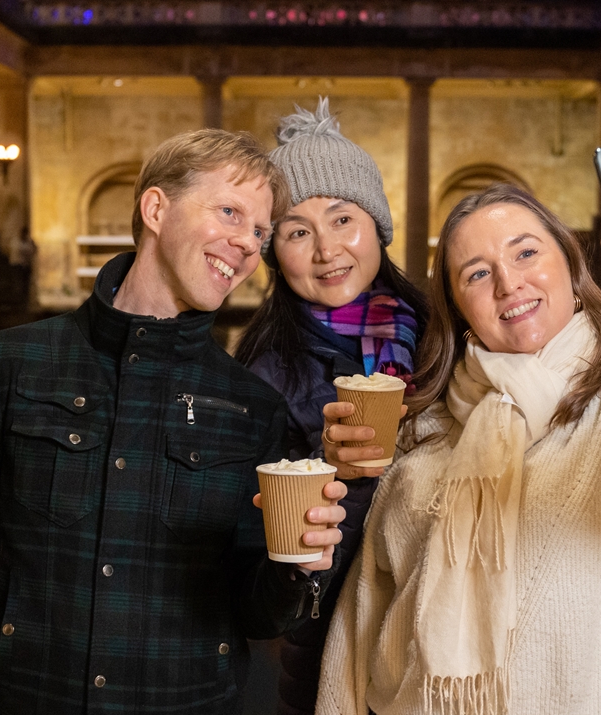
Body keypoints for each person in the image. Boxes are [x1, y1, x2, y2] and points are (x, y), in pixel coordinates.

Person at [0, 129, 350, 715]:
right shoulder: (8, 364)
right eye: (230, 212)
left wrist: (296, 565)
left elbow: (256, 612)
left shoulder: (251, 406)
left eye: (259, 232)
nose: (246, 245)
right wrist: (21, 623)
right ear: (156, 209)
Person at [317, 183, 601, 714]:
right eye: (478, 273)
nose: (509, 282)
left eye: (526, 252)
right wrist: (346, 482)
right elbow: (362, 618)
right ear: (462, 309)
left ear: (573, 274)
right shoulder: (424, 429)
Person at [235, 99, 428, 715]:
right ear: (274, 252)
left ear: (377, 226)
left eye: (343, 219)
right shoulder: (265, 370)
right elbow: (255, 568)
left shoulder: (444, 337)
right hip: (333, 645)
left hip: (449, 643)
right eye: (296, 231)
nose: (326, 249)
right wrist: (325, 469)